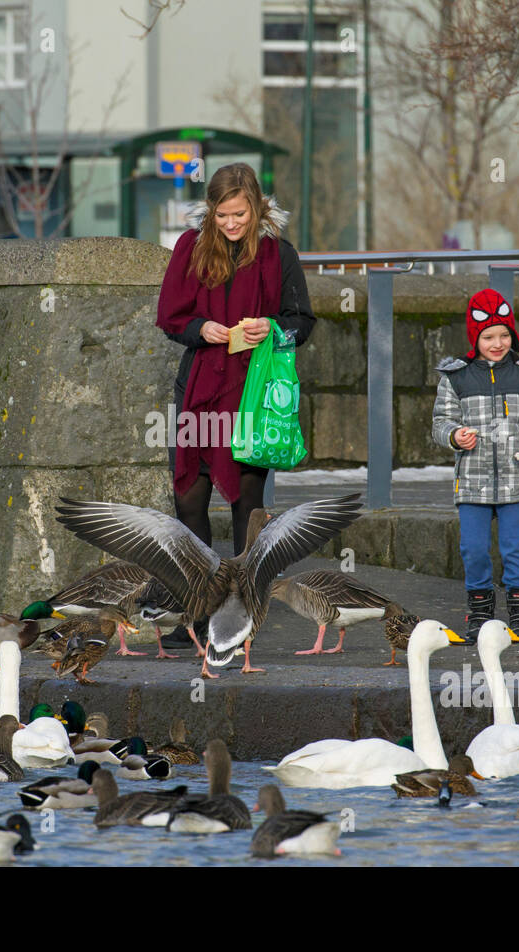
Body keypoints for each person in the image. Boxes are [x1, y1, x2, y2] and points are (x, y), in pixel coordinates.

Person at [155, 162, 315, 647]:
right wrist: (201, 329)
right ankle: (198, 612)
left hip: (252, 397)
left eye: (239, 214)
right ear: (210, 210)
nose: (230, 223)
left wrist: (271, 329)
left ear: (257, 207)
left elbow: (301, 322)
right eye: (222, 214)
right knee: (189, 500)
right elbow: (170, 318)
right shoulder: (189, 248)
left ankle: (243, 614)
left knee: (247, 507)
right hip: (200, 389)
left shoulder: (278, 254)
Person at [431, 288, 519, 641]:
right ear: (476, 338)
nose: (497, 343)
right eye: (489, 336)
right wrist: (455, 435)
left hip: (518, 480)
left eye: (504, 335)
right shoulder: (455, 377)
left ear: (512, 335)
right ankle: (480, 611)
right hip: (473, 481)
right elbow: (440, 422)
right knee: (473, 548)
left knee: (515, 547)